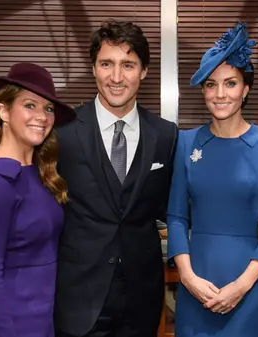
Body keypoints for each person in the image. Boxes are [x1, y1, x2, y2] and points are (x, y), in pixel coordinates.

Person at [54, 19, 178, 337]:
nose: (117, 77)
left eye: (128, 64)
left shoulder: (165, 135)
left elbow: (170, 207)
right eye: (106, 64)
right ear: (94, 68)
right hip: (79, 299)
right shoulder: (62, 132)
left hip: (142, 301)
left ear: (144, 71)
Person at [167, 21, 258, 337]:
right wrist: (187, 278)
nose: (219, 94)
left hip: (246, 288)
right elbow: (176, 218)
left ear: (245, 89)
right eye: (210, 84)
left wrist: (241, 286)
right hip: (194, 288)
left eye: (230, 83)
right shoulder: (186, 143)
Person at [0, 62, 76, 337]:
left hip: (42, 318)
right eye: (30, 105)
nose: (42, 116)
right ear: (3, 110)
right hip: (9, 324)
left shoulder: (40, 173)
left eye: (48, 108)